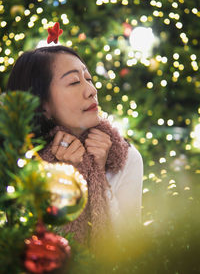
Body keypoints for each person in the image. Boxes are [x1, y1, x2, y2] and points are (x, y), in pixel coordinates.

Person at [7, 45, 143, 247]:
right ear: (42, 104)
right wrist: (65, 180)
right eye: (74, 82)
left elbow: (133, 247)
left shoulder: (124, 156)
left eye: (88, 79)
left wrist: (99, 177)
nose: (91, 90)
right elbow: (28, 249)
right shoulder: (20, 161)